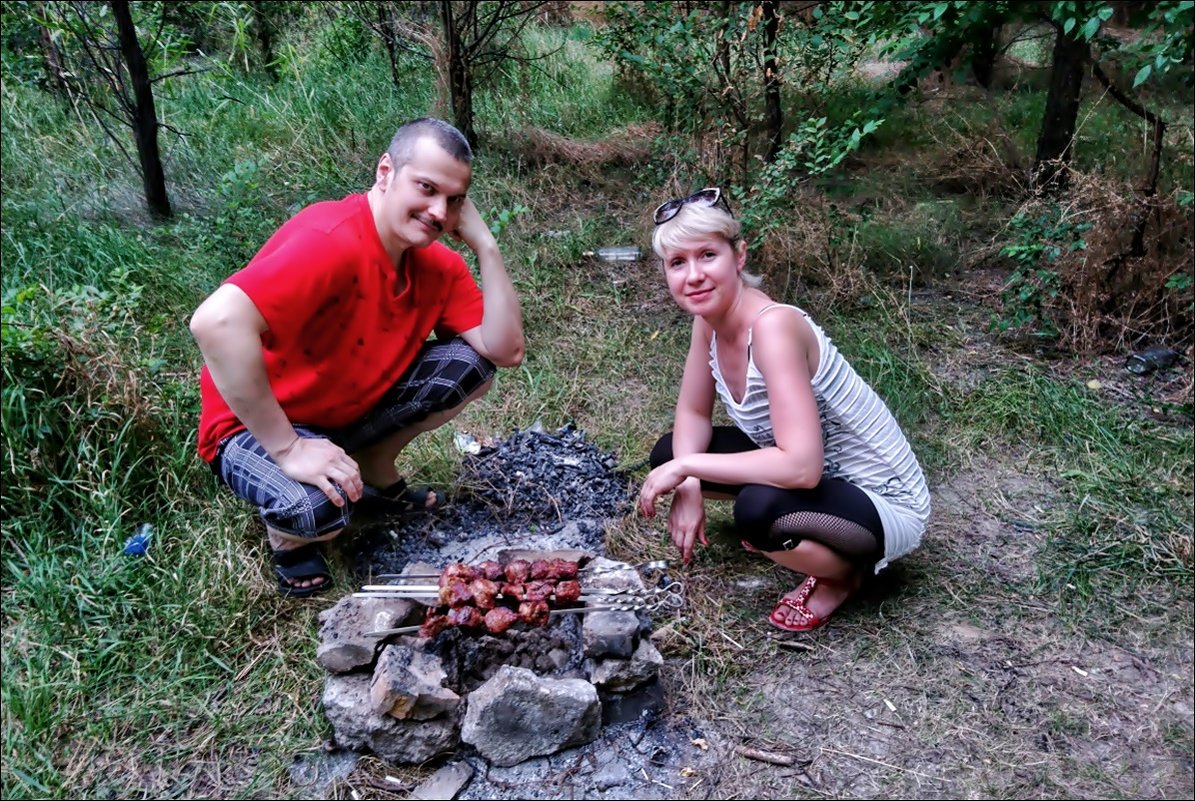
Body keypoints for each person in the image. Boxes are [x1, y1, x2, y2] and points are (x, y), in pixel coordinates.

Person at [190, 117, 525, 598]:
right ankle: (288, 537)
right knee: (321, 512)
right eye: (426, 188)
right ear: (385, 172)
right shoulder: (330, 239)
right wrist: (288, 448)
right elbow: (215, 322)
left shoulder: (436, 265)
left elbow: (505, 350)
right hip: (254, 427)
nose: (437, 211)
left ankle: (368, 467)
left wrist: (486, 245)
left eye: (453, 200)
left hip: (340, 412)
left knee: (470, 366)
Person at [638, 188, 929, 632]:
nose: (693, 275)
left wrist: (688, 467)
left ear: (739, 256)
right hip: (815, 471)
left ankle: (846, 574)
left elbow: (802, 468)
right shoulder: (708, 322)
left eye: (707, 255)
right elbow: (694, 414)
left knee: (759, 511)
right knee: (667, 453)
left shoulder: (773, 327)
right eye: (678, 262)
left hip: (883, 498)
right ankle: (808, 535)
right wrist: (689, 481)